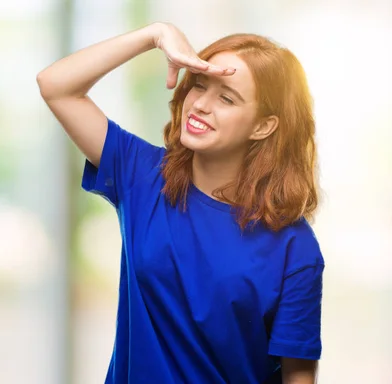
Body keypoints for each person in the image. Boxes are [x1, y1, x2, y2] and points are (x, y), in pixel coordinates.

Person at [37, 22, 324, 384]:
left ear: (263, 126)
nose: (201, 104)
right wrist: (154, 35)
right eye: (199, 85)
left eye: (227, 98)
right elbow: (56, 86)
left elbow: (298, 376)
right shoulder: (141, 174)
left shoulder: (294, 247)